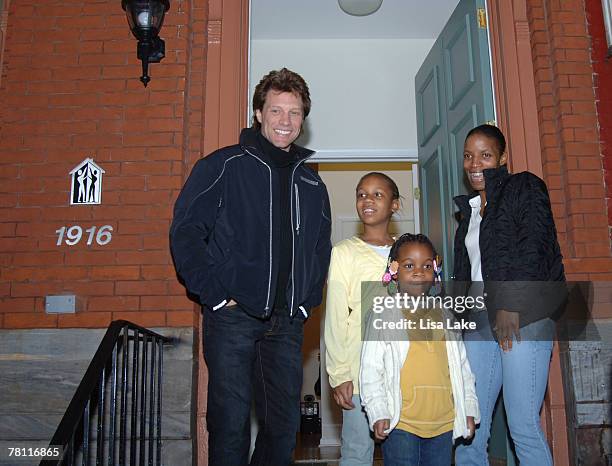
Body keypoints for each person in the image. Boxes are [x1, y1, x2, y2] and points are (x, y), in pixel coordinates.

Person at [170, 68, 332, 466]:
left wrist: (305, 303)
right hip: (232, 317)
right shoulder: (222, 166)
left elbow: (319, 250)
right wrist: (216, 295)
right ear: (258, 113)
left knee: (283, 426)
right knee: (230, 424)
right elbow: (186, 233)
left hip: (287, 324)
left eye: (294, 113)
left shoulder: (312, 186)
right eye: (276, 110)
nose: (285, 121)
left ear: (303, 119)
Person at [453, 124, 565, 466]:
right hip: (479, 321)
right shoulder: (469, 213)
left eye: (485, 155)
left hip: (524, 317)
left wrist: (511, 306)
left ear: (503, 157)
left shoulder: (524, 187)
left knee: (522, 426)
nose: (475, 164)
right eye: (469, 156)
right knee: (470, 425)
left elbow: (533, 247)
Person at [360, 233, 480, 466]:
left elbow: (462, 369)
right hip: (401, 423)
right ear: (394, 270)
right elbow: (370, 371)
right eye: (409, 265)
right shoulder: (382, 315)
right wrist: (378, 411)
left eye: (426, 266)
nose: (418, 272)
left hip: (443, 424)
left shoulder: (446, 316)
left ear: (435, 271)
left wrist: (469, 408)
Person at [324, 172, 401, 465]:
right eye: (361, 194)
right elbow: (335, 317)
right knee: (357, 451)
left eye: (377, 194)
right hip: (358, 373)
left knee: (403, 451)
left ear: (394, 204)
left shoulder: (409, 249)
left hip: (403, 373)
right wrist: (339, 374)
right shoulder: (344, 253)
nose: (367, 200)